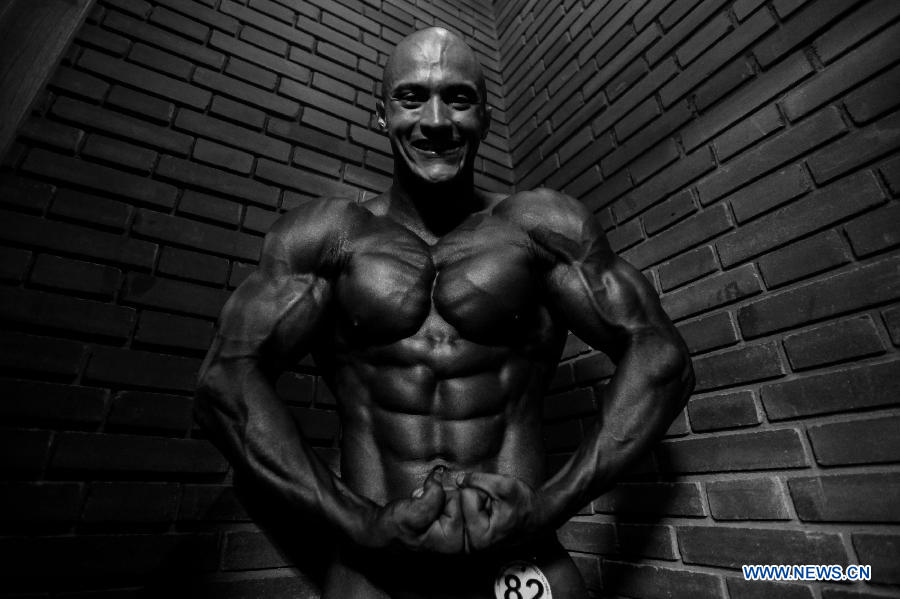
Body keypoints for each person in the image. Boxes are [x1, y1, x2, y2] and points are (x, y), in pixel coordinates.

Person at [195, 26, 694, 599]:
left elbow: (662, 357)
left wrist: (549, 506)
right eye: (411, 97)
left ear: (483, 115)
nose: (436, 120)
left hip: (519, 559)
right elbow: (224, 383)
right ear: (381, 114)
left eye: (458, 98)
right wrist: (358, 521)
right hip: (376, 568)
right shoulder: (326, 238)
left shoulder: (540, 228)